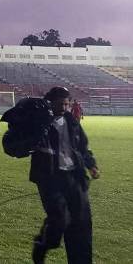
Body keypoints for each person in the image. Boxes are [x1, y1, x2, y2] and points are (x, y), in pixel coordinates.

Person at [30, 87, 99, 264]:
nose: (63, 107)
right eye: (59, 104)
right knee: (60, 218)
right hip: (50, 177)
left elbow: (82, 146)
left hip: (74, 176)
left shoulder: (72, 121)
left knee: (82, 223)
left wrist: (91, 164)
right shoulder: (39, 122)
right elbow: (20, 143)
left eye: (66, 104)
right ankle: (43, 244)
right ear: (50, 103)